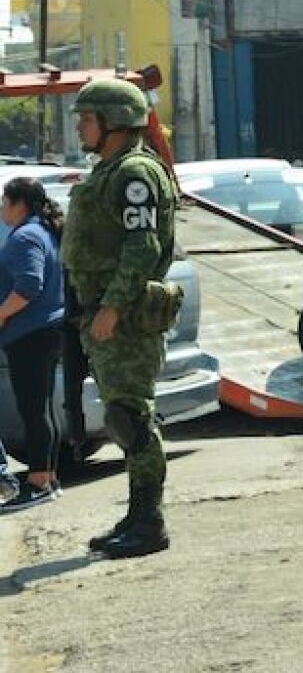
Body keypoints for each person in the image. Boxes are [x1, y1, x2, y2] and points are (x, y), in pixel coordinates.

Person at [63, 78, 181, 559]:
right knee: (123, 416)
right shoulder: (111, 171)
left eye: (86, 120)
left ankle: (149, 522)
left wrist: (112, 307)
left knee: (132, 417)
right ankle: (137, 515)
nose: (80, 129)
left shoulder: (133, 173)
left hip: (127, 317)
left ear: (113, 123)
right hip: (106, 313)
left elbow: (142, 247)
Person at [0, 178, 67, 513]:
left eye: (4, 202)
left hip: (29, 334)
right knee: (41, 410)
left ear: (19, 204)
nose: (1, 209)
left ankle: (39, 481)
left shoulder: (25, 236)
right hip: (47, 331)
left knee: (32, 411)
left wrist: (1, 314)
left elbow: (29, 284)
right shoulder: (42, 231)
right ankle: (50, 477)